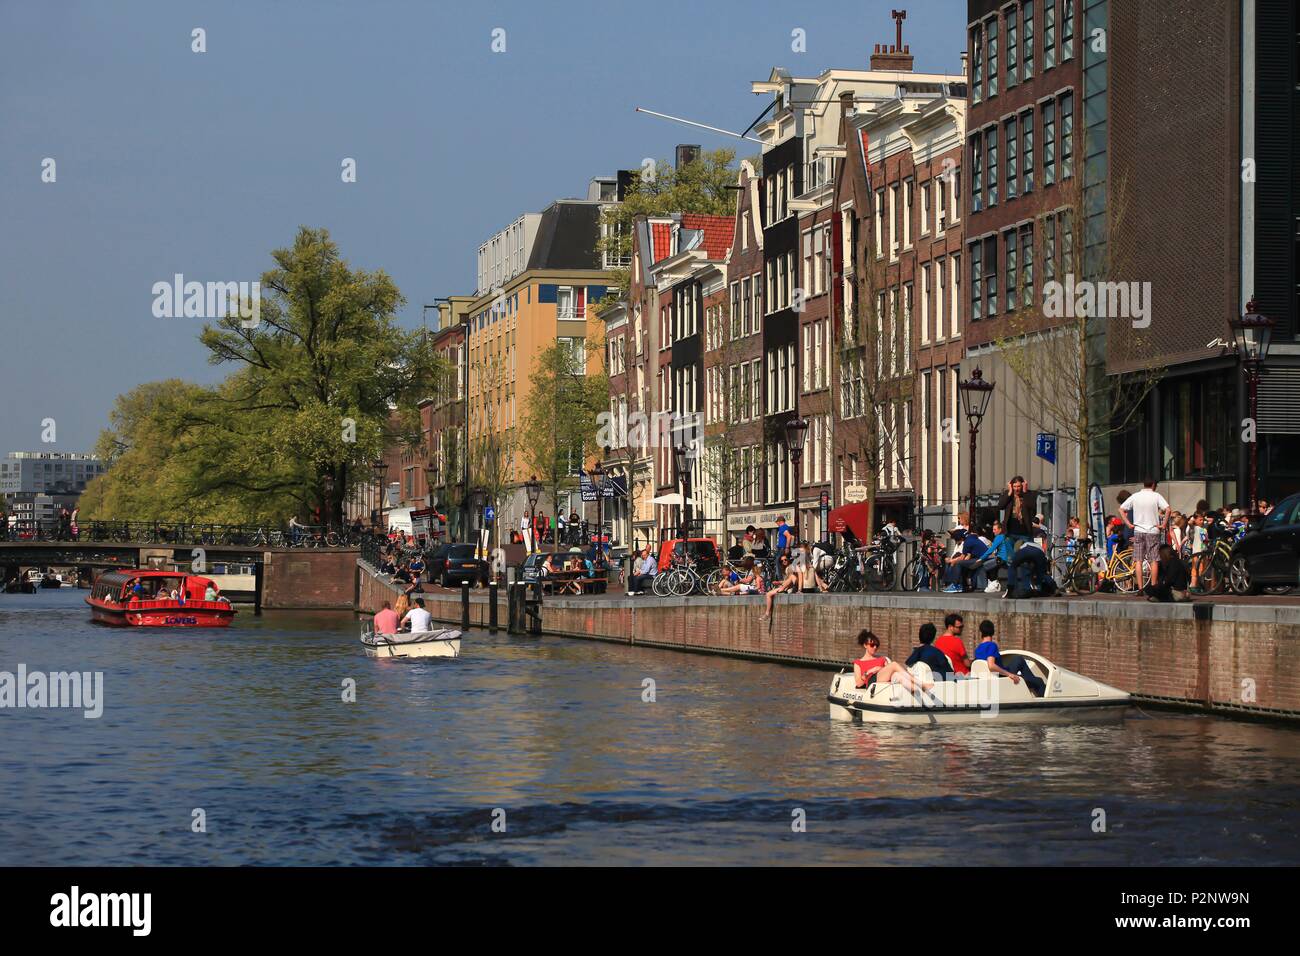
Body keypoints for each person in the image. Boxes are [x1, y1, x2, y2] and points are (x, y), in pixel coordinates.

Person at [1121, 478, 1170, 593]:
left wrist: (1128, 524)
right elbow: (1168, 510)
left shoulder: (1135, 496)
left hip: (1138, 530)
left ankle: (1140, 588)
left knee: (1138, 560)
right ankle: (1153, 586)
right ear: (1153, 485)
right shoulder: (1156, 496)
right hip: (1153, 530)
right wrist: (1163, 525)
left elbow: (1121, 509)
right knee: (1154, 560)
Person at [972, 620, 1045, 697]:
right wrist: (1009, 674)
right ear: (993, 632)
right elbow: (991, 666)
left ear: (981, 633)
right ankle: (1034, 687)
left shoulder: (978, 649)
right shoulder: (991, 645)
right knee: (1039, 681)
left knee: (1018, 659)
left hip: (990, 677)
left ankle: (1030, 681)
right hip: (1002, 677)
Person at [852, 630, 933, 693]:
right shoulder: (858, 663)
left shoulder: (882, 659)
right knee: (894, 664)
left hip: (883, 682)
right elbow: (858, 683)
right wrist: (871, 671)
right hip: (871, 682)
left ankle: (914, 690)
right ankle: (921, 684)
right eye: (872, 645)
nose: (875, 647)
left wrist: (881, 669)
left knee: (898, 675)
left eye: (877, 645)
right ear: (865, 645)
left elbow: (890, 674)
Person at [943, 528, 989, 593]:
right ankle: (962, 585)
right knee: (962, 564)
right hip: (982, 558)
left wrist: (951, 560)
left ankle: (955, 585)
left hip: (980, 559)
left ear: (960, 539)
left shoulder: (967, 542)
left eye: (956, 540)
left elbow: (961, 558)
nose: (956, 542)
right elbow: (967, 556)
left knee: (958, 563)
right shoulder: (973, 539)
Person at [998, 476, 1035, 547]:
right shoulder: (1008, 494)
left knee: (1025, 555)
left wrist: (1025, 492)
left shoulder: (1028, 494)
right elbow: (1000, 506)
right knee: (1011, 556)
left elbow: (1032, 506)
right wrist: (1010, 492)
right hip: (1010, 532)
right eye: (1014, 486)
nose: (1017, 489)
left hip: (1025, 532)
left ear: (1022, 485)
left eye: (1019, 486)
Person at [980, 521, 1014, 594]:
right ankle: (994, 583)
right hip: (1009, 559)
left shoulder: (999, 537)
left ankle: (993, 584)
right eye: (993, 529)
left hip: (1003, 559)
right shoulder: (1007, 537)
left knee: (985, 565)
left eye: (995, 530)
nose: (993, 531)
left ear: (1000, 529)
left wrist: (981, 558)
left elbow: (991, 549)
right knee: (992, 564)